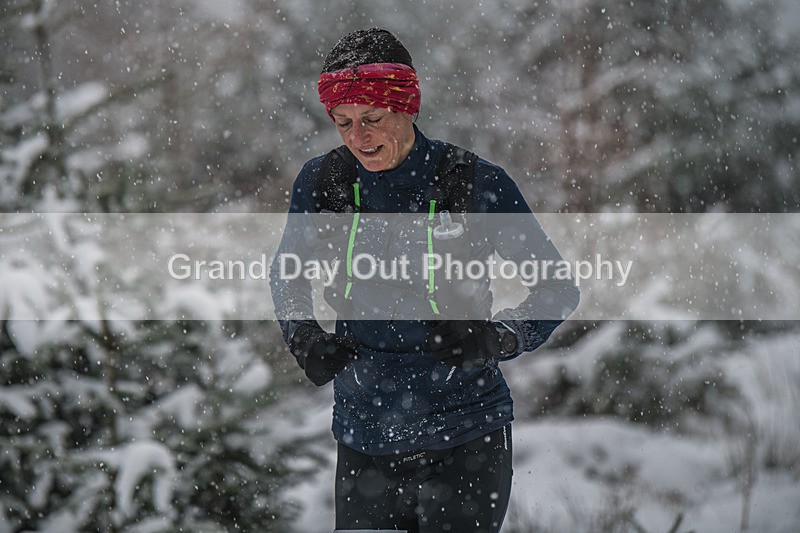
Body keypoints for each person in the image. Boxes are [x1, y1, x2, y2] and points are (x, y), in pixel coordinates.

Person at [269, 28, 579, 533]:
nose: (358, 138)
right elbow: (287, 272)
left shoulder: (474, 183)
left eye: (372, 119)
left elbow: (557, 286)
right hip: (364, 434)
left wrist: (498, 337)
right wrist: (302, 335)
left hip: (465, 432)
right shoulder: (323, 182)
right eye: (343, 122)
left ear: (407, 107)